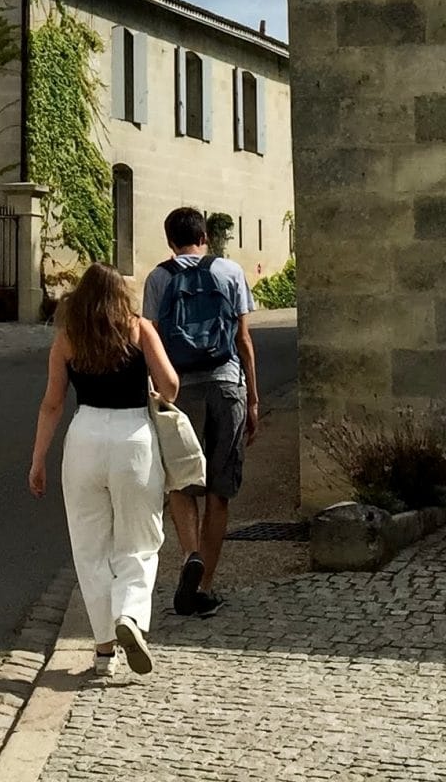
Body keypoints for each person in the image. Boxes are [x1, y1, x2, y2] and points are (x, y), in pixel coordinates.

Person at [28, 261, 182, 675]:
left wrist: (39, 458)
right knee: (140, 540)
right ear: (121, 295)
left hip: (85, 438)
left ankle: (102, 651)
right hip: (133, 438)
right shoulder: (139, 328)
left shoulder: (67, 338)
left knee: (90, 547)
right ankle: (130, 615)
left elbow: (52, 403)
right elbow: (170, 386)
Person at [143, 206, 258, 618]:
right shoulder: (229, 272)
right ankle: (205, 584)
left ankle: (190, 554)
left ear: (170, 241)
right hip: (227, 386)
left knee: (181, 481)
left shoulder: (159, 278)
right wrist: (255, 399)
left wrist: (153, 396)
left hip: (181, 390)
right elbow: (243, 340)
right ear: (204, 237)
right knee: (219, 489)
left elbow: (150, 341)